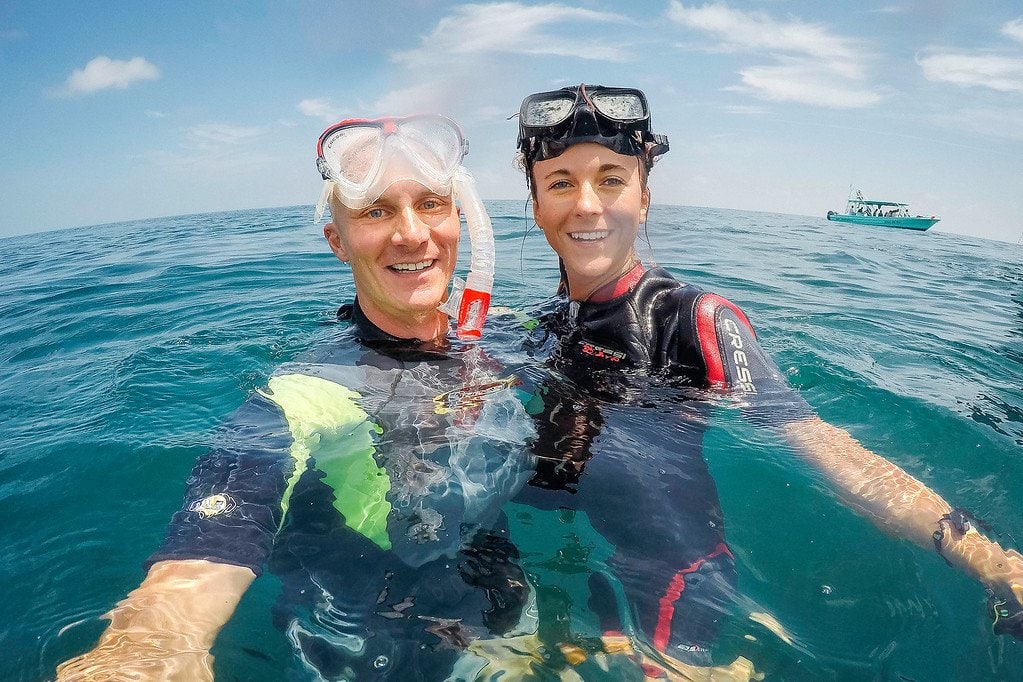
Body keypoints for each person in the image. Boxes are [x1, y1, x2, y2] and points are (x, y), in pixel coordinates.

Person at [513, 83, 1023, 665]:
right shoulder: (542, 322)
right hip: (553, 558)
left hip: (670, 582)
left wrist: (990, 562)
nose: (586, 204)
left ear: (644, 198)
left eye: (611, 179)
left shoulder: (695, 320)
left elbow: (818, 442)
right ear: (537, 206)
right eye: (561, 183)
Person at [56, 114, 545, 681]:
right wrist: (149, 649)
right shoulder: (308, 393)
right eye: (376, 212)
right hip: (367, 640)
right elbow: (216, 531)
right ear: (337, 242)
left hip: (504, 614)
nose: (412, 234)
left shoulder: (507, 333)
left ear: (460, 219)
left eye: (431, 204)